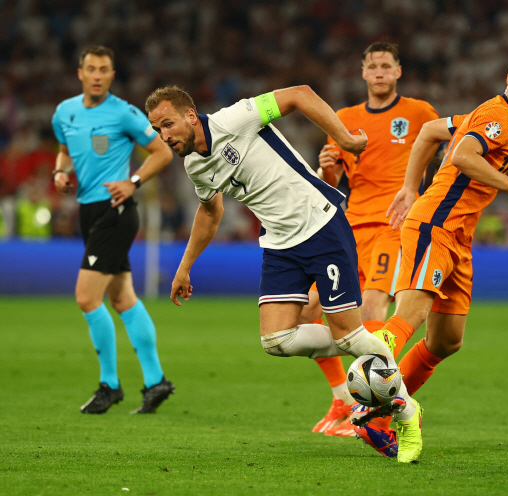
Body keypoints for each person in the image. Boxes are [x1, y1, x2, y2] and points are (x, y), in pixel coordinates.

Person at [145, 84, 425, 463]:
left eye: (167, 124)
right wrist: (184, 267)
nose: (164, 136)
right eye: (157, 129)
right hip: (279, 242)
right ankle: (368, 343)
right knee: (276, 339)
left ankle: (407, 413)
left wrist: (343, 138)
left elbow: (299, 94)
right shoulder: (195, 165)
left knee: (348, 336)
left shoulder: (234, 119)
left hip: (320, 223)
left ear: (190, 116)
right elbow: (210, 213)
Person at [360, 49, 508, 453]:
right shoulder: (497, 117)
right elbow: (465, 156)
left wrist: (409, 186)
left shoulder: (489, 117)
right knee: (408, 317)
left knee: (447, 340)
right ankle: (365, 403)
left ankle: (375, 410)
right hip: (435, 227)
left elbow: (431, 130)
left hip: (458, 239)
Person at [301, 42, 439, 440]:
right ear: (363, 73)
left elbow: (445, 155)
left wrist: (426, 197)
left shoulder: (419, 113)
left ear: (398, 72)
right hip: (348, 226)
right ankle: (343, 398)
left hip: (394, 224)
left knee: (373, 304)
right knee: (309, 309)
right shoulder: (343, 118)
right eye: (373, 66)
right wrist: (326, 170)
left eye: (386, 66)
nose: (379, 72)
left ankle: (374, 403)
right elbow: (331, 183)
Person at [51, 46, 174, 414]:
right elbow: (63, 147)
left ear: (111, 74)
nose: (97, 75)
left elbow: (162, 152)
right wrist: (60, 171)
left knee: (87, 298)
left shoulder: (123, 112)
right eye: (91, 69)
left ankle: (110, 385)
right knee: (122, 299)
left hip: (116, 211)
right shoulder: (65, 112)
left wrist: (133, 181)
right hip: (89, 212)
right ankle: (156, 382)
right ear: (80, 73)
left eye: (104, 69)